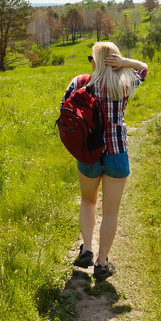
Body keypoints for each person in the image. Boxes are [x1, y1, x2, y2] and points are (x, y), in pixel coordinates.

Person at [61, 41, 147, 280]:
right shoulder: (125, 82)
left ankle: (86, 249)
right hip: (117, 152)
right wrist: (124, 63)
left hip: (89, 152)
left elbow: (63, 111)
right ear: (117, 60)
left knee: (88, 201)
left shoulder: (80, 82)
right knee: (111, 212)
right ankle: (101, 263)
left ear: (94, 60)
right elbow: (144, 68)